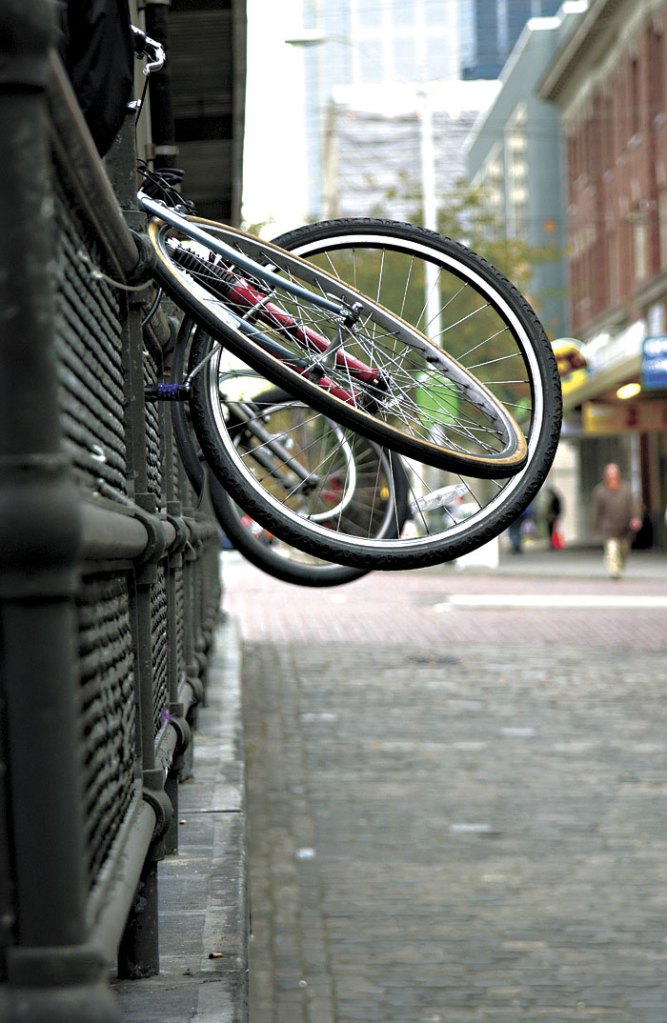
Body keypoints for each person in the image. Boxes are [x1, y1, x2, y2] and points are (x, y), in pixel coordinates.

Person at [591, 463, 642, 579]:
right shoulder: (600, 491)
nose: (612, 476)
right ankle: (614, 572)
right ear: (605, 475)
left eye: (614, 473)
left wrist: (635, 518)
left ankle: (620, 565)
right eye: (610, 474)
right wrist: (596, 527)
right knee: (612, 550)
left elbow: (633, 506)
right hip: (609, 528)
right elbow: (597, 511)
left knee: (623, 552)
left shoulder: (626, 489)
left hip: (624, 528)